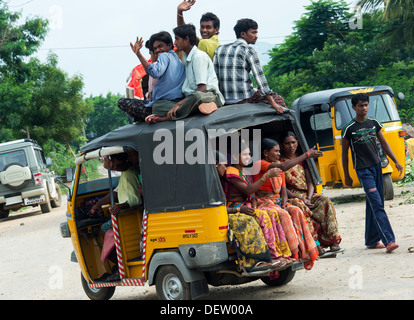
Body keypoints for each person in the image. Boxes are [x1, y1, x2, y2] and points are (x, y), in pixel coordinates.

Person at [341, 93, 402, 253]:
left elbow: (384, 143)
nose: (364, 108)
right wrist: (346, 175)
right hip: (363, 170)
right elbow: (344, 154)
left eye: (366, 105)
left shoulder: (374, 123)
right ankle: (389, 240)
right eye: (360, 105)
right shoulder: (349, 129)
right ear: (354, 107)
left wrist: (395, 161)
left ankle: (371, 240)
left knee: (373, 203)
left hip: (377, 168)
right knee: (377, 204)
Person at [221, 140, 295, 268]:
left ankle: (282, 253)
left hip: (247, 205)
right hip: (235, 206)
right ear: (234, 157)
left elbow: (252, 195)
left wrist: (254, 206)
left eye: (249, 155)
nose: (248, 158)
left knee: (272, 213)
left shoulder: (244, 171)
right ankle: (271, 255)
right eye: (244, 155)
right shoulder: (231, 172)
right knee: (264, 216)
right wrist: (266, 176)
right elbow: (248, 190)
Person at [252, 138, 319, 269]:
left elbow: (283, 192)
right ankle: (291, 253)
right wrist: (307, 155)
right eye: (276, 151)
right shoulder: (260, 163)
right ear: (266, 152)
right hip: (264, 202)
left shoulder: (277, 167)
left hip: (276, 201)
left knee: (296, 210)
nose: (278, 154)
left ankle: (304, 250)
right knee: (283, 215)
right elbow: (282, 167)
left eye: (279, 151)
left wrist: (283, 203)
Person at [146, 24, 224, 123]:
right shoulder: (186, 58)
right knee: (157, 107)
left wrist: (178, 105)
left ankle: (168, 117)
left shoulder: (198, 56)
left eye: (177, 39)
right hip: (191, 99)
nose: (175, 43)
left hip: (208, 95)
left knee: (196, 97)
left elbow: (202, 89)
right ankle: (195, 109)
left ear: (186, 39)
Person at [279, 132, 342, 253]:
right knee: (300, 206)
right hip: (292, 196)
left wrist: (308, 197)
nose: (291, 146)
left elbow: (310, 182)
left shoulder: (302, 159)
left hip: (307, 194)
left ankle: (333, 240)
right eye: (287, 143)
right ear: (282, 145)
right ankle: (315, 243)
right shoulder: (280, 162)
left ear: (297, 143)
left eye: (293, 142)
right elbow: (282, 187)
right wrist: (302, 199)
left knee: (325, 201)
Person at [215, 151, 272, 272]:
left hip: (232, 210)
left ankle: (271, 255)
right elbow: (215, 208)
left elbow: (252, 193)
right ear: (215, 164)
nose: (225, 168)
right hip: (226, 213)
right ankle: (252, 262)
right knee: (248, 222)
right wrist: (239, 209)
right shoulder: (212, 182)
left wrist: (252, 206)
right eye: (223, 165)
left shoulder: (230, 175)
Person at [89, 153, 143, 281]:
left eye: (114, 162)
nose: (113, 166)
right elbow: (116, 192)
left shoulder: (130, 173)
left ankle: (120, 265)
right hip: (130, 213)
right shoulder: (129, 173)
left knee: (104, 228)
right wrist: (98, 204)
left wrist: (121, 207)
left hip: (130, 215)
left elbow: (134, 200)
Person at [213, 18, 286, 112]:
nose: (256, 36)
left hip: (225, 99)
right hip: (244, 97)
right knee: (279, 99)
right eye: (253, 32)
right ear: (243, 34)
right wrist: (273, 103)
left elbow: (214, 76)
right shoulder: (248, 50)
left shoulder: (220, 49)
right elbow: (260, 79)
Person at [118, 31, 185, 123]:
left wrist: (138, 54)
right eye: (155, 48)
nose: (157, 50)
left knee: (122, 102)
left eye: (160, 46)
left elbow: (155, 72)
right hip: (173, 103)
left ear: (169, 45)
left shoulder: (164, 56)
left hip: (162, 106)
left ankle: (151, 116)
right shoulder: (179, 61)